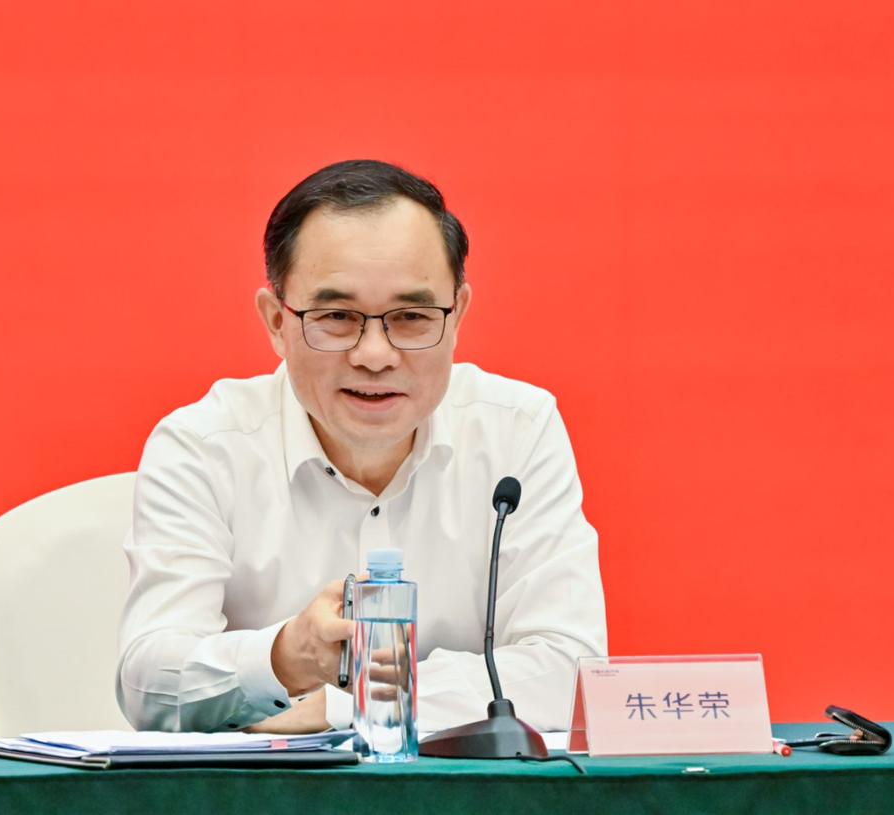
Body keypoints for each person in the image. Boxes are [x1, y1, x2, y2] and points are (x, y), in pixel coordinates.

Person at [116, 159, 606, 734]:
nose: (375, 355)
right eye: (337, 317)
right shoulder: (203, 446)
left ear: (457, 317)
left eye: (412, 316)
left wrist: (348, 706)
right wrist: (284, 657)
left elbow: (570, 670)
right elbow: (148, 681)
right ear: (276, 322)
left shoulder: (517, 430)